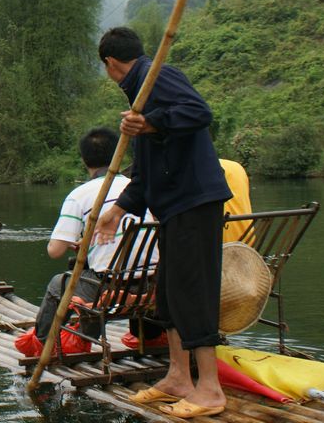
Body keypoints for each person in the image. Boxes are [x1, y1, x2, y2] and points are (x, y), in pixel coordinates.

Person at [94, 27, 231, 418]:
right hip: (172, 207)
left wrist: (151, 123)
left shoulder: (157, 76)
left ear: (110, 64)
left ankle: (209, 389)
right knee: (169, 294)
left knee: (193, 291)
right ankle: (177, 378)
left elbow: (199, 112)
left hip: (195, 201)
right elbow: (147, 171)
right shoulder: (138, 95)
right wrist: (118, 209)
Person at [15, 127, 164, 357]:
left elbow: (55, 250)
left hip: (109, 289)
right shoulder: (139, 187)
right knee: (95, 270)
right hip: (151, 285)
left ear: (84, 159)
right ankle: (151, 336)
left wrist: (74, 241)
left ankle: (43, 342)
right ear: (119, 154)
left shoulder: (80, 195)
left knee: (59, 283)